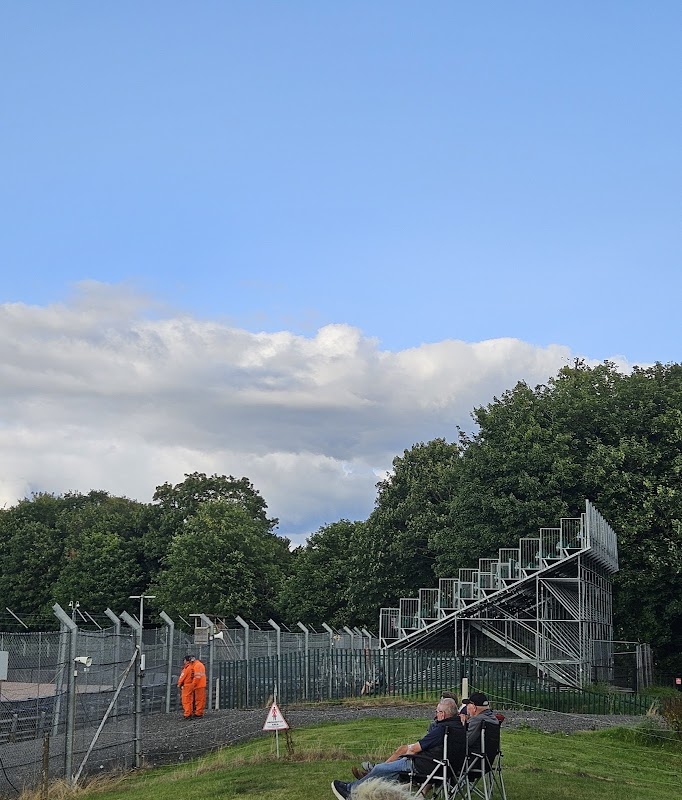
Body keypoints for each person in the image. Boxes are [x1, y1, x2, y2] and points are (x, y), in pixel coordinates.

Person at [332, 697, 459, 800]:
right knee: (389, 773)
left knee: (381, 768)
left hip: (424, 766)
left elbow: (415, 748)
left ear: (442, 714)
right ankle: (367, 786)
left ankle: (350, 791)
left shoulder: (442, 729)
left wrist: (409, 753)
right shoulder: (459, 727)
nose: (435, 714)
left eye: (437, 712)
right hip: (447, 770)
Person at [177, 655, 195, 719]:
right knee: (190, 699)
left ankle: (187, 714)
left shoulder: (186, 668)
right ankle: (190, 712)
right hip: (192, 684)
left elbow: (182, 677)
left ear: (186, 660)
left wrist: (179, 684)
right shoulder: (192, 667)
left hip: (186, 685)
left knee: (185, 700)